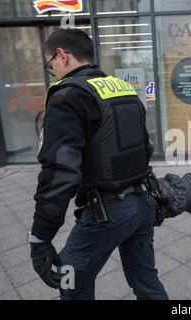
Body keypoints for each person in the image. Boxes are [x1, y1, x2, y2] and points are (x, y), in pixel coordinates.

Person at [28, 29, 167, 299]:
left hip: (106, 213)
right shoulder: (124, 89)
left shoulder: (67, 96)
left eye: (51, 64)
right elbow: (145, 148)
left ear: (62, 55)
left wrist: (40, 236)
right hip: (143, 203)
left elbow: (60, 172)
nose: (53, 71)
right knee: (147, 282)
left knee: (70, 284)